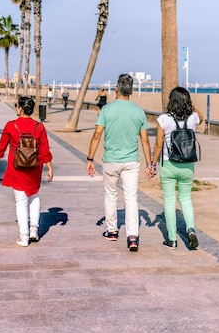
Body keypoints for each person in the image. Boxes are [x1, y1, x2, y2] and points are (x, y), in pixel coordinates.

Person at [86, 73, 153, 252]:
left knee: (110, 195)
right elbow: (145, 140)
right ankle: (132, 236)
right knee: (131, 198)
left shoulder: (106, 110)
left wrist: (90, 158)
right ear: (131, 90)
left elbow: (97, 135)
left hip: (111, 161)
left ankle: (112, 230)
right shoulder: (138, 111)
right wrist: (150, 164)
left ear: (116, 88)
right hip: (131, 161)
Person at [0, 96, 53, 247]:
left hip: (17, 168)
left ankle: (24, 236)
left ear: (19, 108)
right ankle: (34, 230)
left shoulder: (11, 125)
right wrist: (49, 167)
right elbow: (45, 149)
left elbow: (2, 145)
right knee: (34, 196)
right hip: (35, 167)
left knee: (21, 201)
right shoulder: (39, 127)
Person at [151, 87, 203, 250]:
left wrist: (153, 164)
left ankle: (172, 239)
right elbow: (202, 117)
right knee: (186, 198)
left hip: (168, 164)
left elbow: (159, 144)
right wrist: (191, 105)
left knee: (169, 201)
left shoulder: (163, 119)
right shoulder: (193, 118)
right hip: (187, 164)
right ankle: (191, 229)